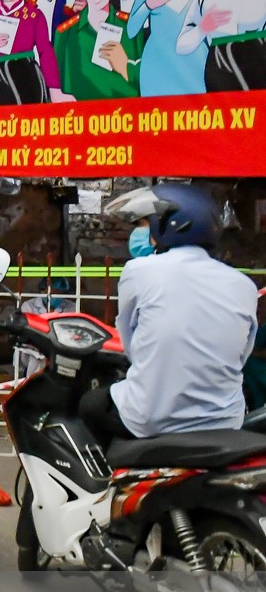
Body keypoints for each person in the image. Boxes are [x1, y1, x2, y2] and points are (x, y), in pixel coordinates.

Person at [81, 184, 257, 441]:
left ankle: (117, 476)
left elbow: (131, 344)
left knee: (90, 404)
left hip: (152, 418)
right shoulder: (244, 285)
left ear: (173, 226)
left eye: (146, 225)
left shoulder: (139, 271)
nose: (146, 234)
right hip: (225, 420)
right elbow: (240, 355)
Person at [53, 0, 141, 101]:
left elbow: (147, 79)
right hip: (80, 117)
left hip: (125, 116)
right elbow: (56, 85)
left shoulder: (131, 26)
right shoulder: (65, 32)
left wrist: (126, 67)